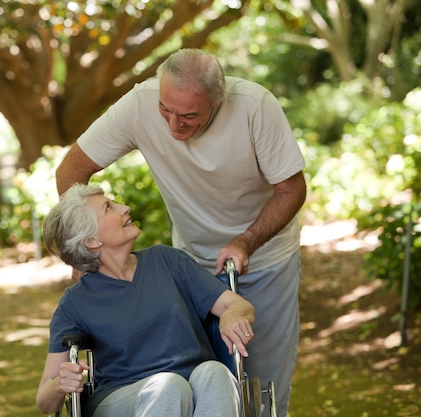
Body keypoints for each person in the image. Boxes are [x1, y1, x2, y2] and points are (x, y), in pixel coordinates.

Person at [54, 48, 307, 417]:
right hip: (188, 263)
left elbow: (292, 189)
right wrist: (83, 249)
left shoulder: (255, 107)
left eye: (189, 116)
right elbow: (71, 169)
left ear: (218, 102)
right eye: (165, 111)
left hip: (264, 259)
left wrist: (246, 240)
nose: (174, 127)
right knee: (181, 377)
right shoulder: (139, 104)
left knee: (258, 384)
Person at [36, 183, 255, 417]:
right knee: (169, 387)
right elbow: (45, 403)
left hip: (196, 382)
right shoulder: (75, 302)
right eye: (109, 208)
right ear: (91, 241)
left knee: (216, 373)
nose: (125, 208)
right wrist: (61, 383)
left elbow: (240, 306)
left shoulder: (168, 261)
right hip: (123, 397)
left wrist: (232, 314)